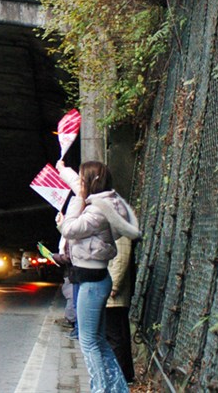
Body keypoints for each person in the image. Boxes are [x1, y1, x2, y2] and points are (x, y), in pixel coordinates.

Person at [56, 160, 140, 393]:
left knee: (89, 342)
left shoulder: (100, 209)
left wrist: (70, 209)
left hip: (93, 282)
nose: (79, 184)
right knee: (99, 341)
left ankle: (100, 389)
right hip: (90, 279)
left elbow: (71, 229)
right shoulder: (102, 201)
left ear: (92, 183)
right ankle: (117, 389)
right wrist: (63, 170)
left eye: (83, 180)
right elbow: (77, 186)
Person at [106, 236, 136, 383]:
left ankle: (120, 375)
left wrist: (113, 287)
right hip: (111, 294)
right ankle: (124, 374)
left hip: (114, 297)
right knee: (117, 335)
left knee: (115, 336)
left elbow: (121, 258)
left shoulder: (120, 230)